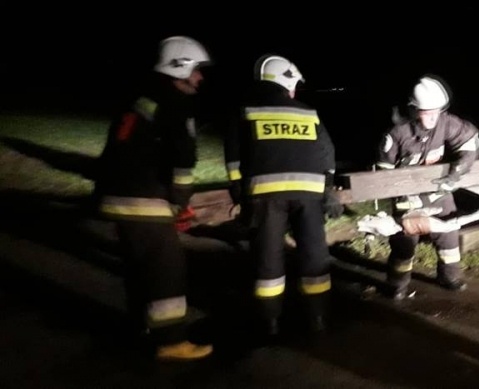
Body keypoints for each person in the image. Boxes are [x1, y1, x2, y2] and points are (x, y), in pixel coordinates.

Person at [94, 36, 213, 360]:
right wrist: (181, 201)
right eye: (197, 71)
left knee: (138, 267)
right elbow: (183, 157)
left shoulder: (141, 98)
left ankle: (140, 327)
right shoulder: (176, 103)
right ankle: (172, 341)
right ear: (181, 68)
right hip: (143, 196)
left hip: (114, 194)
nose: (200, 78)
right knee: (166, 269)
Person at [224, 54, 341, 337]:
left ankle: (269, 322)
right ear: (286, 82)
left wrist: (239, 190)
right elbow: (327, 154)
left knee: (268, 257)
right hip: (310, 194)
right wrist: (328, 190)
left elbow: (234, 156)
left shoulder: (246, 110)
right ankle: (317, 318)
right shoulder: (308, 112)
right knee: (314, 254)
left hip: (265, 195)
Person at [376, 75, 479, 300]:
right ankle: (397, 284)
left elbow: (470, 143)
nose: (433, 117)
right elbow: (382, 172)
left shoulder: (447, 122)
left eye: (437, 111)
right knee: (405, 241)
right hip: (406, 195)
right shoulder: (397, 134)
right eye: (427, 112)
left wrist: (456, 174)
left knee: (449, 235)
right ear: (414, 110)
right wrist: (400, 196)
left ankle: (449, 276)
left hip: (439, 190)